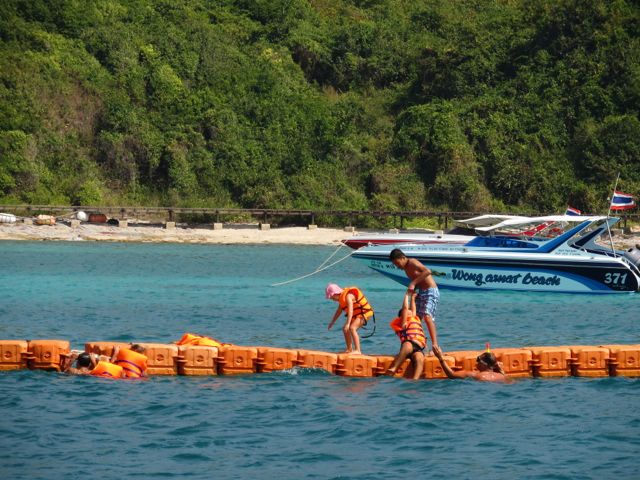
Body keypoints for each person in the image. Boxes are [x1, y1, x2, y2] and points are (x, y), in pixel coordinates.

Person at [389, 248, 439, 352]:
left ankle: (435, 346)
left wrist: (413, 283)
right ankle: (421, 345)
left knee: (427, 316)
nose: (397, 266)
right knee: (415, 319)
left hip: (430, 291)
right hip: (421, 292)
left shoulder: (412, 262)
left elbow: (427, 271)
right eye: (395, 265)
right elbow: (417, 281)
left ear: (403, 258)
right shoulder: (406, 269)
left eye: (397, 263)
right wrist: (412, 292)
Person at [326, 283, 375, 354]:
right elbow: (339, 311)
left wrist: (348, 323)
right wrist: (332, 322)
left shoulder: (348, 296)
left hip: (364, 313)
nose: (333, 300)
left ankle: (358, 350)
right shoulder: (341, 299)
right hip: (357, 315)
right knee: (345, 329)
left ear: (336, 293)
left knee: (352, 328)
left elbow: (350, 310)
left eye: (332, 298)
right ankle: (349, 349)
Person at [386, 293, 426, 380]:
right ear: (402, 316)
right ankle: (394, 368)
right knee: (408, 345)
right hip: (408, 346)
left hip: (418, 348)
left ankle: (415, 379)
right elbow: (405, 308)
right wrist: (407, 295)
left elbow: (413, 309)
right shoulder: (404, 323)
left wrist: (413, 298)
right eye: (408, 311)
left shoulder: (415, 319)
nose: (410, 311)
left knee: (419, 358)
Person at [432, 344, 511, 383]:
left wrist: (440, 357)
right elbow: (511, 382)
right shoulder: (502, 376)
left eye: (478, 359)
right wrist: (501, 371)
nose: (476, 362)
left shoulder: (475, 375)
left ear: (484, 364)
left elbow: (451, 375)